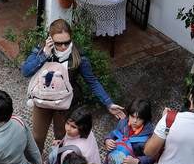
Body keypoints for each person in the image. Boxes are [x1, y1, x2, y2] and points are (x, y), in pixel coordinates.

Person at [20, 19, 124, 152]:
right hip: (42, 100)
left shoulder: (79, 57)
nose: (63, 46)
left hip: (65, 104)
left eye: (67, 42)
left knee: (62, 137)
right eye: (58, 43)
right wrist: (45, 54)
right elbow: (26, 71)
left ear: (71, 38)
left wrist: (108, 103)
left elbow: (92, 81)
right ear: (50, 39)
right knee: (37, 138)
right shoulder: (41, 50)